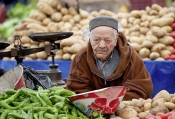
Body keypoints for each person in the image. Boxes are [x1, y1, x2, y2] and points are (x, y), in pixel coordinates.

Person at [66, 16, 153, 100]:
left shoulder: (130, 56)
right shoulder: (82, 57)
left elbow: (141, 89)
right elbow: (75, 89)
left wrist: (112, 101)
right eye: (96, 40)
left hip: (123, 109)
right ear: (90, 38)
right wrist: (97, 102)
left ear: (116, 39)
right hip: (91, 110)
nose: (102, 45)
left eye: (108, 40)